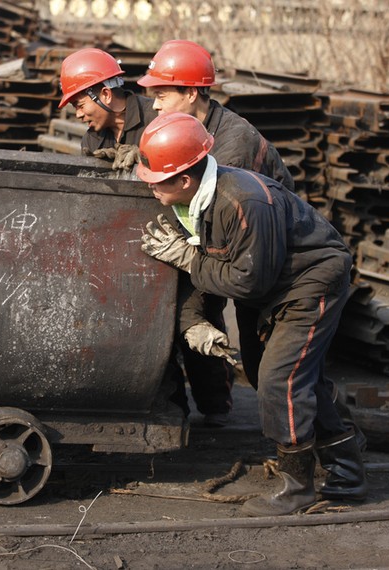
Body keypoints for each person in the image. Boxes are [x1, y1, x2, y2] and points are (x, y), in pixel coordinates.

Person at [137, 112, 368, 516]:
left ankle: (297, 488)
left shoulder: (242, 201)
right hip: (283, 283)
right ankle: (346, 471)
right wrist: (193, 317)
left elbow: (247, 284)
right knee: (283, 374)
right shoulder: (196, 201)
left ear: (185, 180)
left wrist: (189, 260)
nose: (150, 188)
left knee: (281, 377)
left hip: (312, 280)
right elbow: (214, 267)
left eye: (156, 181)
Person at [134, 40, 299, 426]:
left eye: (162, 95)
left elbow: (219, 244)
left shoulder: (230, 152)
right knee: (260, 363)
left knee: (274, 368)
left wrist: (191, 281)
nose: (154, 105)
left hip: (273, 264)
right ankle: (226, 414)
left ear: (192, 93)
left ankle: (325, 439)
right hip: (240, 254)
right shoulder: (190, 132)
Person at [58, 48, 158, 171]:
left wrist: (148, 159)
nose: (78, 114)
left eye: (81, 105)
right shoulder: (91, 140)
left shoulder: (156, 120)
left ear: (106, 94)